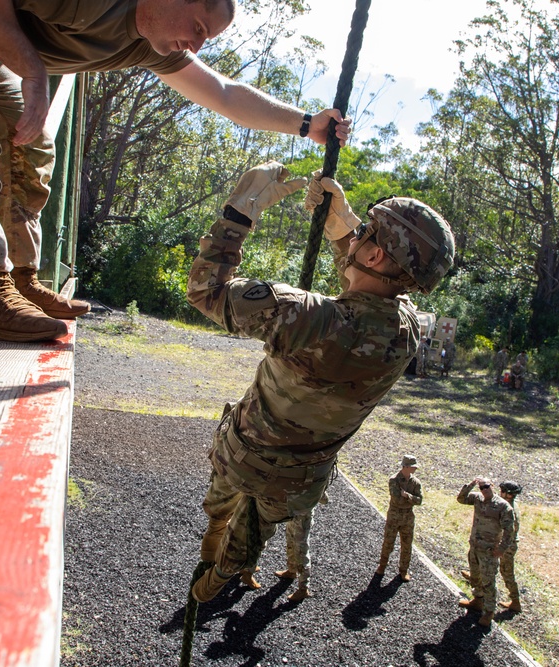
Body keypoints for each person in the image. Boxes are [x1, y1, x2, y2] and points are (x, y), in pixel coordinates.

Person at [0, 0, 351, 343]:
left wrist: (306, 124)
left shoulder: (151, 42)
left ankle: (19, 279)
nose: (197, 45)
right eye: (199, 26)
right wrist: (31, 70)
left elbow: (221, 93)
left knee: (28, 141)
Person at [187, 163, 455, 602]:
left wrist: (238, 214)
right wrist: (344, 228)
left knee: (219, 511)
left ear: (374, 256)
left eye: (368, 231)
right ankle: (216, 579)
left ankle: (212, 550)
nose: (361, 233)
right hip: (300, 480)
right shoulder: (408, 331)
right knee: (250, 538)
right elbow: (367, 295)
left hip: (242, 456)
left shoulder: (305, 316)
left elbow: (205, 291)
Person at [457, 477, 515, 628]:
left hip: (489, 552)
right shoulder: (477, 499)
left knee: (488, 581)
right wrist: (471, 484)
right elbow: (461, 499)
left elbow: (510, 531)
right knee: (475, 577)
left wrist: (502, 549)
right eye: (482, 487)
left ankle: (489, 611)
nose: (485, 490)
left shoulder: (502, 506)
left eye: (487, 486)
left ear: (493, 486)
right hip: (475, 547)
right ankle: (477, 600)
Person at [273, 490, 328, 602]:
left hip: (303, 519)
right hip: (292, 513)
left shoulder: (314, 475)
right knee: (290, 542)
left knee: (301, 552)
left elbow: (324, 499)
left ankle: (303, 588)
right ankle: (291, 570)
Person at [376, 455, 423, 581]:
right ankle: (382, 566)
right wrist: (410, 499)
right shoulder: (394, 480)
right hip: (394, 516)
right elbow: (396, 499)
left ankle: (403, 570)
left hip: (408, 517)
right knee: (388, 542)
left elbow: (419, 501)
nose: (415, 469)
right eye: (413, 467)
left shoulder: (416, 483)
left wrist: (407, 496)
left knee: (407, 545)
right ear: (405, 467)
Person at [497, 481, 522, 611]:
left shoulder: (509, 510)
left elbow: (509, 533)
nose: (500, 493)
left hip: (507, 546)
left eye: (503, 491)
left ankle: (515, 601)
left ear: (510, 495)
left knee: (506, 572)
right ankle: (474, 577)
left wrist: (501, 547)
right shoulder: (507, 505)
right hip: (501, 542)